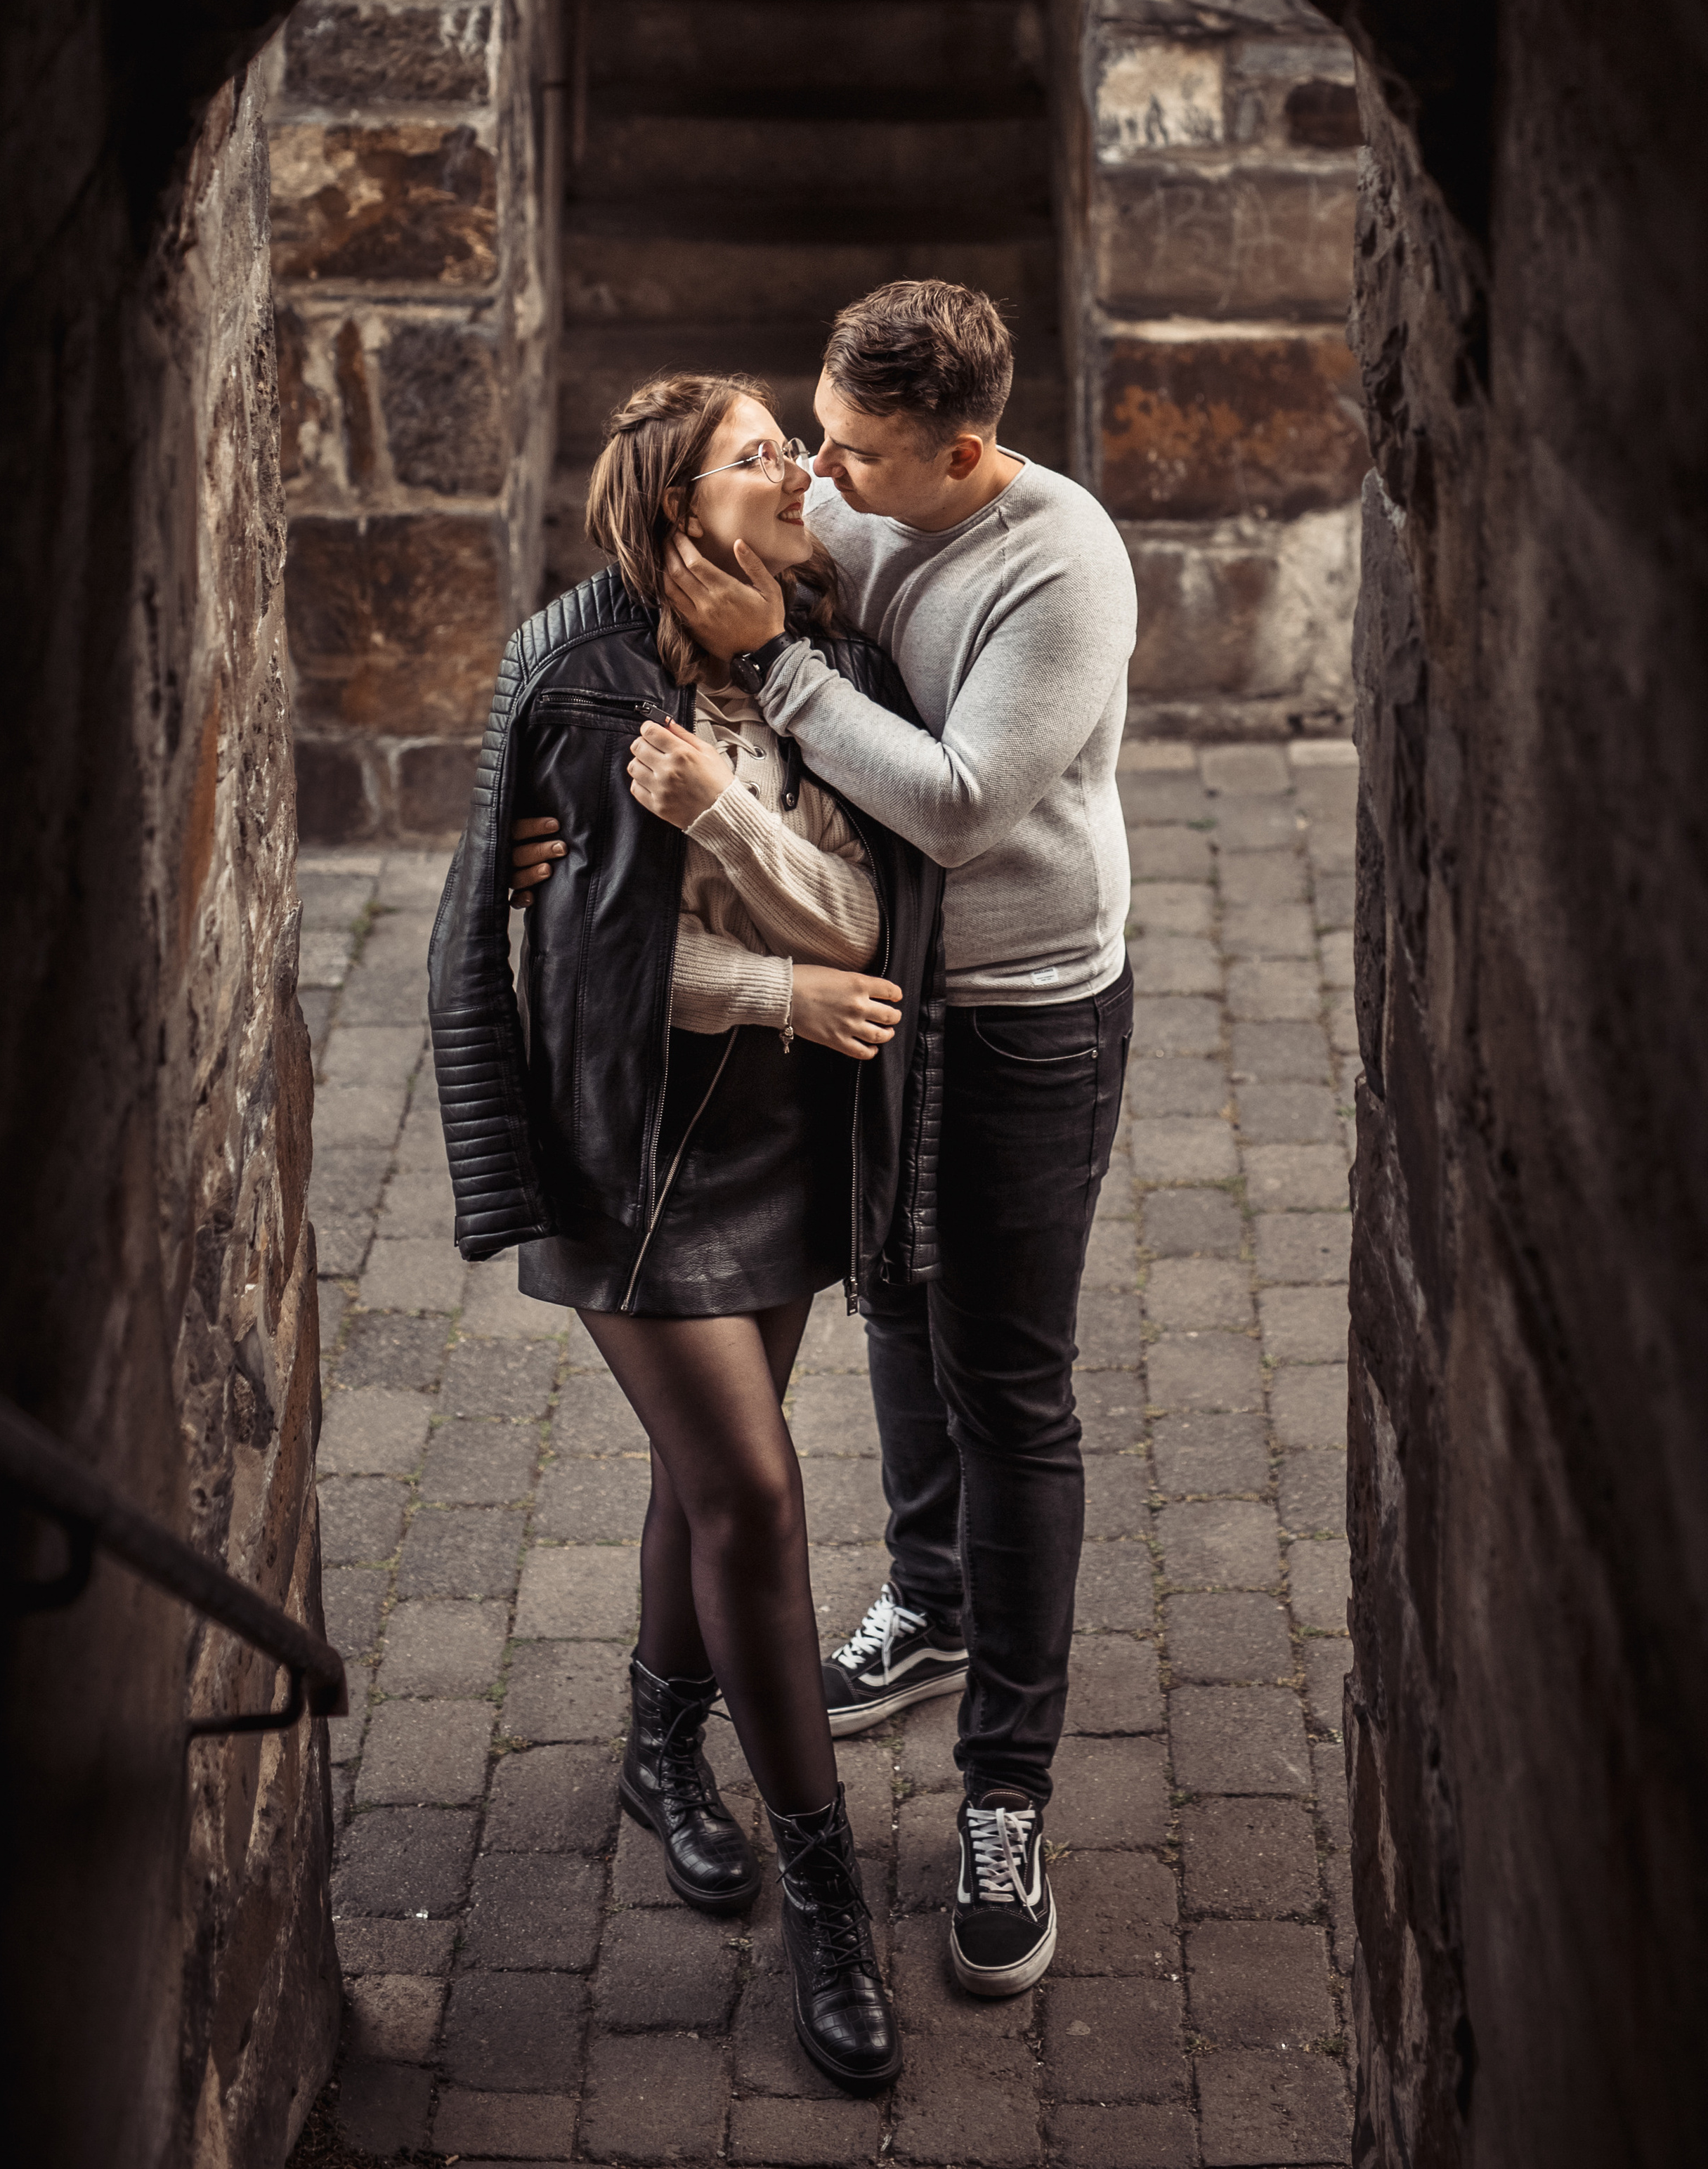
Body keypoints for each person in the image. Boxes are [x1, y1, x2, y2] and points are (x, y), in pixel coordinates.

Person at [513, 280, 1136, 1999]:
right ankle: (912, 1619)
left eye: (850, 458)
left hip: (1016, 1011)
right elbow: (611, 611)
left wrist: (759, 704)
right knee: (887, 1329)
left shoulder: (1049, 567)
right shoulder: (794, 557)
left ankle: (1003, 1790)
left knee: (1003, 1385)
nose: (825, 483)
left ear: (964, 450)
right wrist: (524, 790)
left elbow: (927, 816)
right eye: (795, 446)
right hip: (761, 1083)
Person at [431, 374, 946, 2092]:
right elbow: (597, 980)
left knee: (699, 1476)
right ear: (674, 517)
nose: (798, 469)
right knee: (753, 1493)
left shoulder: (810, 654)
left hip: (776, 1144)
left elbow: (863, 916)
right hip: (630, 1152)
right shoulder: (592, 692)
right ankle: (823, 1899)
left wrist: (736, 848)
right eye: (756, 456)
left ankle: (660, 1749)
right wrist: (784, 990)